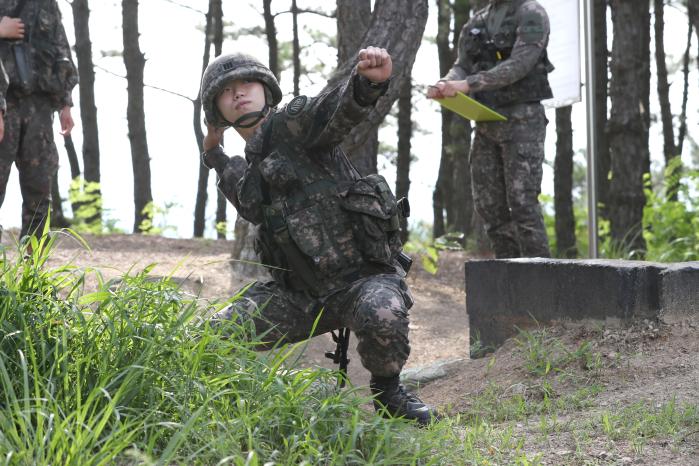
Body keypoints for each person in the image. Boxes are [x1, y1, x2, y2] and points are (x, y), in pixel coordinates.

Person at [199, 47, 441, 426]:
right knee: (212, 335)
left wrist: (368, 83)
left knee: (383, 312)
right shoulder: (254, 163)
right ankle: (223, 406)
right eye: (226, 91)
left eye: (247, 82)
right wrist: (214, 153)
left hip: (362, 282)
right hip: (302, 298)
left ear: (266, 89)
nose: (238, 93)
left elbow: (336, 111)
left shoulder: (295, 124)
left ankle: (389, 393)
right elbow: (246, 200)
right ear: (218, 110)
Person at [427, 0, 553, 258]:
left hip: (522, 123)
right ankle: (508, 279)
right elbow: (462, 63)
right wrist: (447, 82)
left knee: (522, 206)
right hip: (486, 123)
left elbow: (520, 64)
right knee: (489, 207)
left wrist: (468, 84)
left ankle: (542, 283)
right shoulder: (476, 22)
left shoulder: (531, 13)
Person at [0, 0, 78, 239]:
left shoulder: (47, 4)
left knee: (40, 192)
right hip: (5, 105)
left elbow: (61, 51)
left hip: (40, 109)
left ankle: (32, 269)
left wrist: (65, 104)